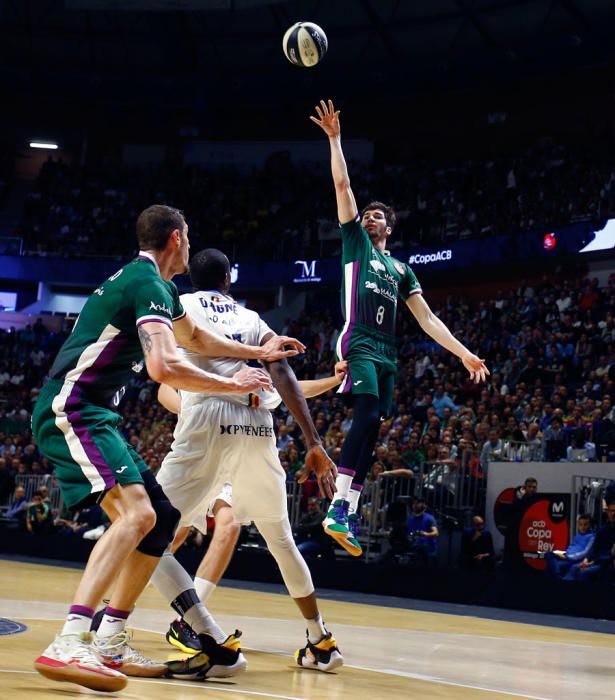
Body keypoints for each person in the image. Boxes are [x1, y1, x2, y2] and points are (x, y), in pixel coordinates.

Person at [31, 205, 304, 693]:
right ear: (176, 238)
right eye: (190, 235)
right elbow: (162, 367)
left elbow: (197, 337)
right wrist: (231, 385)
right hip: (71, 409)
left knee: (160, 516)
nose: (191, 243)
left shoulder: (156, 288)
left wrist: (259, 352)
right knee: (136, 516)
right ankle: (71, 639)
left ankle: (111, 638)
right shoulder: (147, 285)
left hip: (96, 413)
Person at [149, 248, 343, 673]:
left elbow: (160, 374)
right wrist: (313, 441)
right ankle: (320, 640)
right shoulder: (251, 319)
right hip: (257, 424)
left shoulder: (177, 307)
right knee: (281, 540)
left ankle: (196, 629)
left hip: (209, 412)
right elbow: (283, 373)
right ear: (228, 281)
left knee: (146, 531)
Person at [310, 100, 489, 556]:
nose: (368, 217)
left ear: (389, 226)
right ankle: (336, 507)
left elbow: (427, 319)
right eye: (365, 214)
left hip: (388, 351)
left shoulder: (402, 269)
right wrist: (334, 138)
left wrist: (463, 353)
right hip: (361, 341)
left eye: (376, 216)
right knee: (366, 416)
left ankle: (344, 510)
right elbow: (342, 183)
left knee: (373, 434)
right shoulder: (354, 244)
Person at [545, 514, 594, 579]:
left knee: (551, 567)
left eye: (585, 524)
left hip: (574, 560)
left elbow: (585, 553)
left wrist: (567, 557)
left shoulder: (592, 537)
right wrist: (563, 554)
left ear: (590, 525)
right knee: (548, 554)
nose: (582, 527)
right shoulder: (578, 535)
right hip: (567, 556)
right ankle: (557, 578)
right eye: (580, 524)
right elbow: (571, 547)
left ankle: (558, 579)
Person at [405, 497, 439, 566]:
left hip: (428, 551)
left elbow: (436, 533)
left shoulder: (429, 518)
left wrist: (425, 534)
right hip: (414, 549)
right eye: (414, 503)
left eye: (417, 503)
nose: (415, 505)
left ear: (423, 505)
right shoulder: (410, 518)